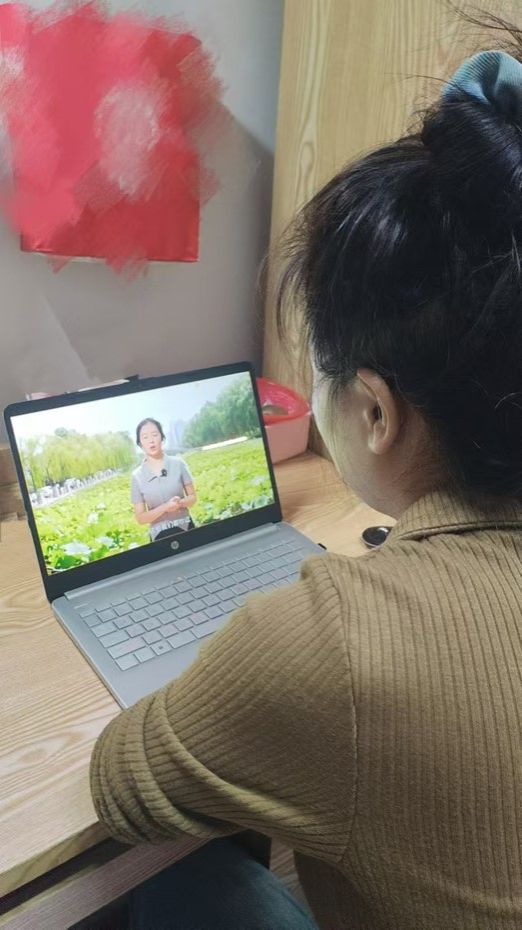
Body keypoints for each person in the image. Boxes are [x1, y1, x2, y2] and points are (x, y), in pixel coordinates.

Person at [89, 45, 522, 930]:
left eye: (319, 369)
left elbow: (120, 785)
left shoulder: (328, 644)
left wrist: (250, 671)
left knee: (178, 876)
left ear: (374, 412)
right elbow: (149, 509)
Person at [132, 418, 197, 541]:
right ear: (140, 444)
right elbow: (140, 518)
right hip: (159, 537)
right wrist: (165, 507)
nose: (151, 440)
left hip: (186, 528)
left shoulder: (178, 464)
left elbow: (192, 498)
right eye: (145, 437)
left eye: (155, 435)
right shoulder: (137, 476)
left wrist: (180, 503)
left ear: (162, 438)